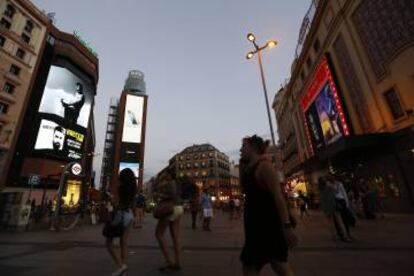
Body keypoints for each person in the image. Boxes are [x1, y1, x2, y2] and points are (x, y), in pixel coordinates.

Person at [239, 135, 298, 276]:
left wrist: (287, 227)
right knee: (276, 265)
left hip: (268, 225)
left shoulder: (264, 166)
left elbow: (278, 197)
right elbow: (244, 189)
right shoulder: (250, 168)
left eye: (243, 147)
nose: (241, 150)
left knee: (276, 265)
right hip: (256, 227)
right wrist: (241, 166)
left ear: (252, 147)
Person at [105, 168, 137, 276]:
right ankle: (123, 268)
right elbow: (133, 204)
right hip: (129, 215)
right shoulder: (133, 189)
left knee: (109, 243)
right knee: (124, 242)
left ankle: (121, 266)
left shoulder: (120, 188)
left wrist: (111, 199)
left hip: (120, 215)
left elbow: (115, 203)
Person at [154, 170, 184, 271]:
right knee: (175, 237)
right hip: (178, 208)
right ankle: (177, 262)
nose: (163, 174)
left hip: (170, 208)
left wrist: (160, 196)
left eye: (165, 173)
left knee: (159, 234)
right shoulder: (176, 182)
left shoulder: (170, 183)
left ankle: (169, 261)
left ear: (169, 174)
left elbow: (171, 195)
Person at [327, 175, 353, 242]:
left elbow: (344, 193)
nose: (331, 178)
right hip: (335, 202)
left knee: (344, 218)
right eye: (330, 178)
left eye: (332, 177)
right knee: (338, 219)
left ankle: (346, 233)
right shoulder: (328, 185)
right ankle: (342, 234)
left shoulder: (339, 184)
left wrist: (346, 203)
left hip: (341, 201)